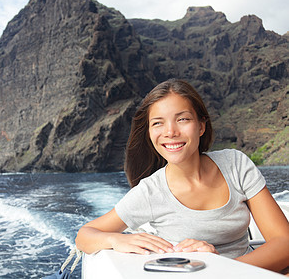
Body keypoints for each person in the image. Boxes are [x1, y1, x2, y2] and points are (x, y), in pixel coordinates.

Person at [75, 79, 289, 273]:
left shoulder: (235, 164)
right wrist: (116, 240)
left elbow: (284, 242)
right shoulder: (149, 192)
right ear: (150, 133)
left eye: (183, 119)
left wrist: (222, 269)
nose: (170, 131)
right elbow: (85, 235)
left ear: (201, 126)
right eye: (158, 123)